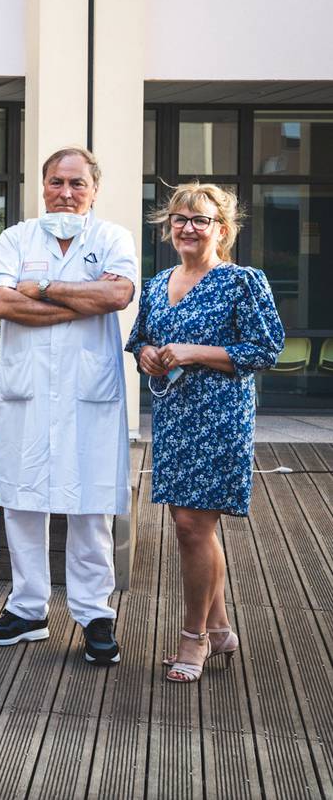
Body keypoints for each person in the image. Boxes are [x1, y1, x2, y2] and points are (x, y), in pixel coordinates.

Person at [0, 147, 138, 666]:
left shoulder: (111, 238)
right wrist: (79, 302)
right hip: (27, 391)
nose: (65, 193)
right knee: (23, 501)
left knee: (90, 506)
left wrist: (42, 289)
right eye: (55, 182)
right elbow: (0, 303)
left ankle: (94, 613)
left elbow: (117, 297)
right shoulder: (16, 238)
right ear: (41, 185)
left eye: (76, 184)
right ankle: (28, 609)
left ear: (94, 190)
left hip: (88, 394)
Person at [126, 183, 283, 682]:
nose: (189, 228)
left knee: (195, 528)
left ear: (222, 228)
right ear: (168, 227)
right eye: (180, 219)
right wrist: (148, 355)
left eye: (201, 220)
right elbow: (141, 341)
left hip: (219, 418)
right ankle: (219, 630)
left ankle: (193, 637)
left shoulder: (242, 281)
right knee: (187, 527)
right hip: (174, 417)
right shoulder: (157, 282)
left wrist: (193, 351)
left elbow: (266, 348)